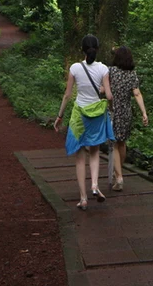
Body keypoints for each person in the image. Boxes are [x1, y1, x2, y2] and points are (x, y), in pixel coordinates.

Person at [52, 34, 114, 210]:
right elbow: (109, 95)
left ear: (82, 50)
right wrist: (110, 106)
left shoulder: (75, 68)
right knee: (94, 151)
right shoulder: (103, 69)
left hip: (79, 115)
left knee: (80, 157)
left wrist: (59, 116)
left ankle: (83, 198)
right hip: (97, 115)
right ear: (97, 49)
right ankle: (94, 185)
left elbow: (67, 95)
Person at [107, 45, 148, 191]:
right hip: (126, 112)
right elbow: (137, 93)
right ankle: (119, 173)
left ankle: (118, 177)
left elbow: (104, 89)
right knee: (122, 143)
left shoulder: (110, 71)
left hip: (113, 110)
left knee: (113, 144)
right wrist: (144, 113)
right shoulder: (132, 74)